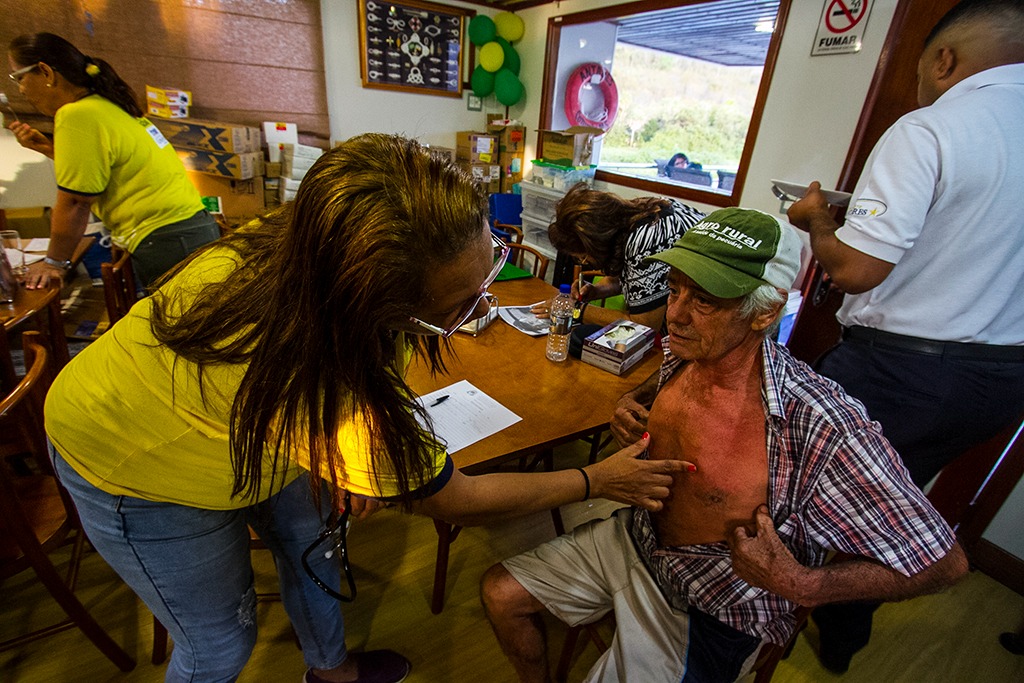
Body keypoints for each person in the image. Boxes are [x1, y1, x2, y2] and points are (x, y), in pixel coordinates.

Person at [44, 133, 687, 682]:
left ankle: (334, 671)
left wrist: (345, 461)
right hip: (129, 460)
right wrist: (596, 478)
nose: (481, 308)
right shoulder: (317, 372)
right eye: (460, 302)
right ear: (376, 306)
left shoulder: (308, 248)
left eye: (485, 276)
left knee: (312, 544)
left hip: (238, 424)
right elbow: (451, 497)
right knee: (218, 643)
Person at [481, 207, 968, 682]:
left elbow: (944, 562)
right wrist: (632, 401)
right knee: (500, 594)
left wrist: (805, 584)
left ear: (766, 312)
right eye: (674, 289)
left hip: (713, 602)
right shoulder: (688, 351)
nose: (676, 315)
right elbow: (663, 390)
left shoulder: (820, 426)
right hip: (638, 539)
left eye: (706, 301)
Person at [786, 0, 1024, 672]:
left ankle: (765, 602)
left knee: (799, 486)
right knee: (893, 493)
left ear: (943, 59)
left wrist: (818, 222)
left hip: (903, 372)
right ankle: (844, 631)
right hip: (1003, 384)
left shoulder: (931, 128)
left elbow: (857, 271)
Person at [7, 33, 219, 289]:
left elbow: (75, 203)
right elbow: (107, 169)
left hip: (167, 241)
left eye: (19, 78)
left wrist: (54, 263)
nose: (20, 89)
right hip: (190, 231)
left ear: (45, 72)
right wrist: (52, 150)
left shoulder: (76, 114)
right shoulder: (109, 106)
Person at [538, 182, 704, 330]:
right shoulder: (629, 218)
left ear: (598, 242)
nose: (584, 262)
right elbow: (633, 279)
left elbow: (644, 324)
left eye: (584, 256)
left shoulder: (646, 238)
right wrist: (596, 291)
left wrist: (575, 310)